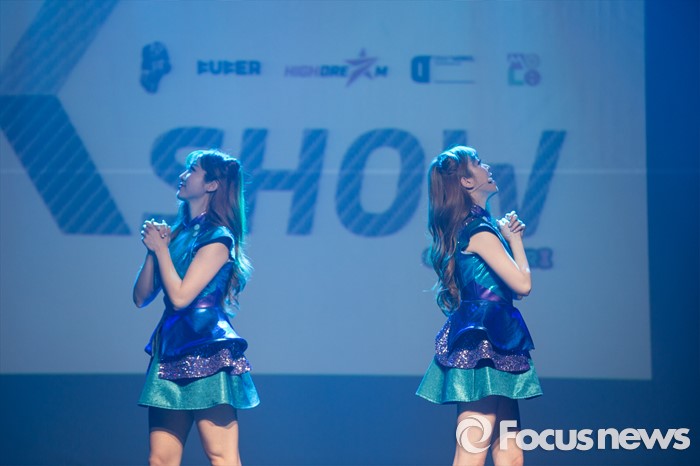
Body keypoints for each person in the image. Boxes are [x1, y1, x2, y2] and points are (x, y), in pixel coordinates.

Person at [416, 146, 542, 466]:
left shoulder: (477, 227)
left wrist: (509, 238)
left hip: (497, 338)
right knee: (473, 449)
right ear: (467, 181)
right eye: (478, 163)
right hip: (483, 341)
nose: (487, 167)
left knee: (510, 452)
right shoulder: (479, 231)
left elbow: (511, 290)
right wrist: (515, 241)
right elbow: (523, 285)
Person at [133, 149, 259, 466]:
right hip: (169, 350)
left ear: (212, 184)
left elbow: (180, 298)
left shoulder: (219, 238)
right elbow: (141, 297)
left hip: (206, 350)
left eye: (192, 170)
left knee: (221, 456)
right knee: (160, 459)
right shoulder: (179, 234)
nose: (183, 176)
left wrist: (162, 250)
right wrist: (154, 250)